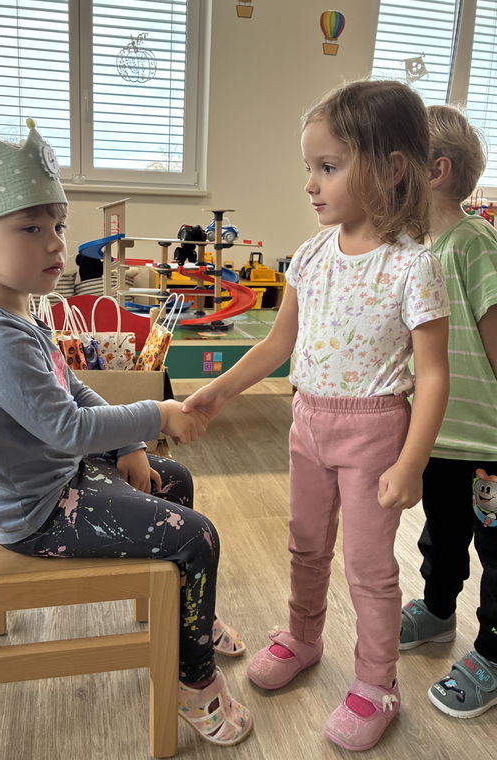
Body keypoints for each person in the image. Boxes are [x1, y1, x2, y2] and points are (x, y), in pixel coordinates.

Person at [0, 120, 252, 747]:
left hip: (52, 479)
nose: (55, 242)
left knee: (174, 480)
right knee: (197, 536)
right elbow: (68, 428)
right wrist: (158, 415)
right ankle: (193, 681)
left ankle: (185, 618)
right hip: (37, 511)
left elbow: (73, 390)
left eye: (58, 224)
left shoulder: (12, 314)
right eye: (31, 228)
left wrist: (128, 445)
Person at [182, 80, 451, 750]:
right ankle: (303, 637)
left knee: (368, 567)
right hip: (308, 423)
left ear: (391, 168)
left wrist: (412, 462)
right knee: (305, 544)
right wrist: (219, 391)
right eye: (309, 167)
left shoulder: (414, 267)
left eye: (328, 167)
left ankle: (377, 682)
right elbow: (279, 344)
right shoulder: (309, 256)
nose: (310, 184)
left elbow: (433, 374)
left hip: (375, 432)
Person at [398, 104, 497, 718]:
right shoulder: (417, 249)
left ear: (435, 171)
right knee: (442, 536)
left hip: (488, 446)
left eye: (395, 165)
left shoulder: (473, 244)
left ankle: (493, 651)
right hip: (437, 438)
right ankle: (437, 612)